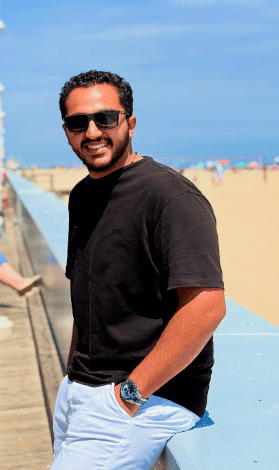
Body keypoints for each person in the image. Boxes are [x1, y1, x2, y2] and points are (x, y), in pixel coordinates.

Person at [52, 70, 226, 470]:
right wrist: (72, 376)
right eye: (79, 123)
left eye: (106, 119)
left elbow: (207, 307)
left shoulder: (171, 197)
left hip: (146, 399)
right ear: (67, 132)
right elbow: (87, 294)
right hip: (80, 390)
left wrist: (129, 394)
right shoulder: (81, 196)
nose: (93, 132)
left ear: (130, 123)